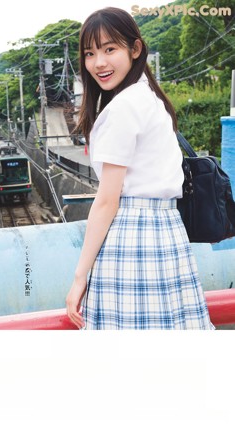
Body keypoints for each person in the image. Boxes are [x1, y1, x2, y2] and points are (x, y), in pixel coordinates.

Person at [65, 7, 214, 330]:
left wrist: (80, 277)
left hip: (132, 240)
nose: (99, 63)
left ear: (135, 49)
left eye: (110, 49)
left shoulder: (123, 108)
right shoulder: (148, 97)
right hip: (166, 233)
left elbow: (107, 201)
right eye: (90, 53)